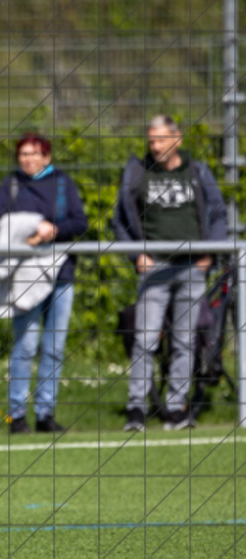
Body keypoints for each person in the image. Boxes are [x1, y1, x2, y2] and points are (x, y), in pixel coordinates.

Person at [113, 115, 228, 432]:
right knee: (145, 341)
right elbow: (120, 221)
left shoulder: (197, 172)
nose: (155, 146)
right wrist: (137, 255)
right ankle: (136, 408)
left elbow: (218, 214)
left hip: (192, 268)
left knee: (184, 341)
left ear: (176, 139)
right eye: (151, 140)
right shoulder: (137, 173)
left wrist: (209, 253)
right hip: (155, 270)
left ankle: (177, 408)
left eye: (161, 139)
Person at [0, 133, 89, 434]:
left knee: (54, 347)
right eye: (23, 154)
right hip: (24, 276)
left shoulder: (63, 183)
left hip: (61, 275)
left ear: (47, 156)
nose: (28, 159)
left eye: (34, 154)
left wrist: (52, 231)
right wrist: (31, 228)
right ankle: (16, 416)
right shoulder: (12, 185)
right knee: (25, 345)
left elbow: (79, 222)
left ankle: (46, 413)